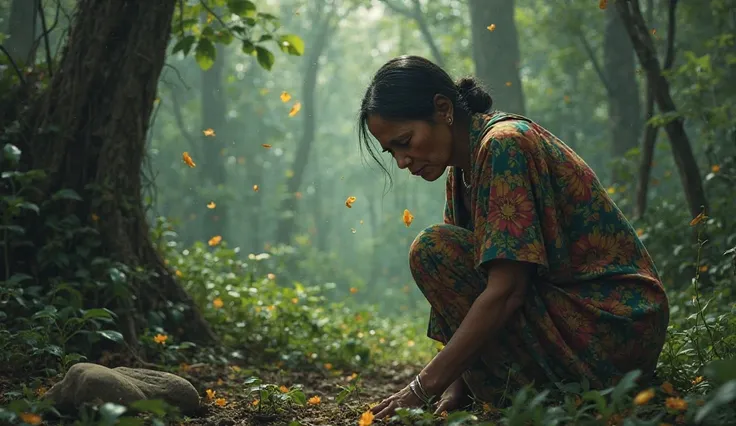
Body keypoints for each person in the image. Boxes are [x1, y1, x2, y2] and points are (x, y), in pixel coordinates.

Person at [357, 55, 670, 420]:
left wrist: (422, 387)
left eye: (405, 141)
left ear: (442, 108)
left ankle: (546, 400)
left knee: (431, 248)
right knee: (436, 252)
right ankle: (515, 395)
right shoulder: (462, 169)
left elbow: (507, 290)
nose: (402, 161)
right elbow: (467, 284)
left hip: (613, 326)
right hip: (565, 315)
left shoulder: (505, 145)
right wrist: (459, 383)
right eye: (392, 151)